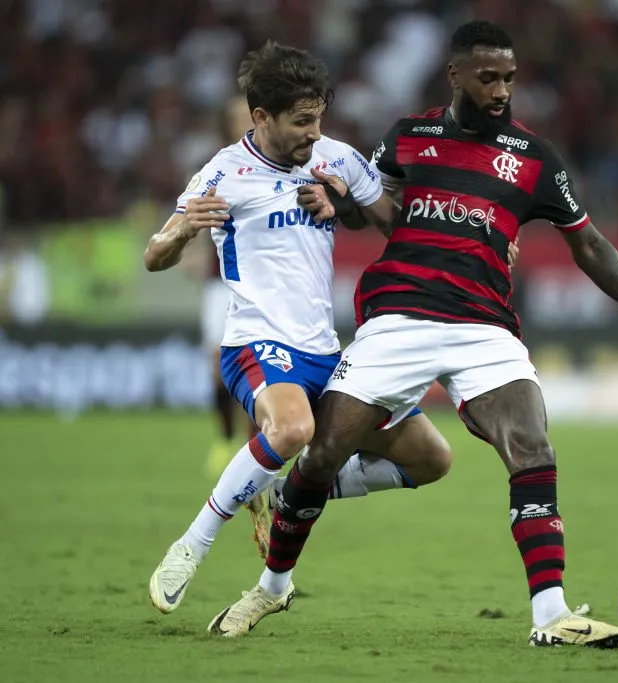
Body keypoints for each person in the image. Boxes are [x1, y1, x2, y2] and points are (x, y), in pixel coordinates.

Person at [209, 21, 618, 648]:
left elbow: (586, 241)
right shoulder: (408, 137)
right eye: (488, 77)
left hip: (484, 326)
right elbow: (372, 210)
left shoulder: (535, 158)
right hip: (397, 318)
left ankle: (551, 615)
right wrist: (337, 202)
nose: (502, 88)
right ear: (456, 76)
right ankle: (271, 589)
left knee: (532, 447)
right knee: (319, 457)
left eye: (509, 77)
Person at [143, 41, 454, 615]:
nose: (314, 134)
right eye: (301, 121)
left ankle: (294, 493)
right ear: (261, 117)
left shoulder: (334, 158)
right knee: (290, 429)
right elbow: (153, 256)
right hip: (256, 343)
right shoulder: (223, 173)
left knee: (432, 458)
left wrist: (344, 205)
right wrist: (182, 232)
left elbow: (394, 223)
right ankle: (192, 544)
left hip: (326, 352)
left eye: (319, 119)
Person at [183, 94, 261, 480]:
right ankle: (224, 439)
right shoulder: (216, 168)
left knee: (259, 364)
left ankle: (256, 446)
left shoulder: (276, 165)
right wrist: (191, 251)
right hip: (220, 283)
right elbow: (197, 215)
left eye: (245, 115)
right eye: (234, 117)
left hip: (258, 283)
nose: (241, 122)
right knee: (217, 365)